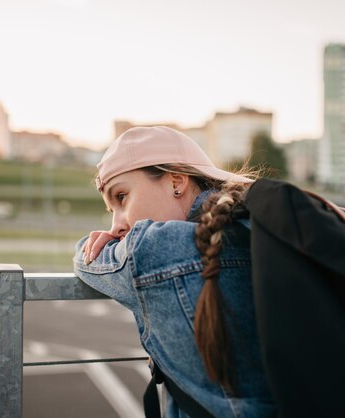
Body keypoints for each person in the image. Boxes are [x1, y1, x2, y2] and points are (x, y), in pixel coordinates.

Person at [73, 126, 275, 417]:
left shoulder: (151, 249)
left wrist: (98, 246)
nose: (116, 225)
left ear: (177, 182)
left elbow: (86, 257)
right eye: (110, 210)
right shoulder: (259, 225)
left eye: (122, 197)